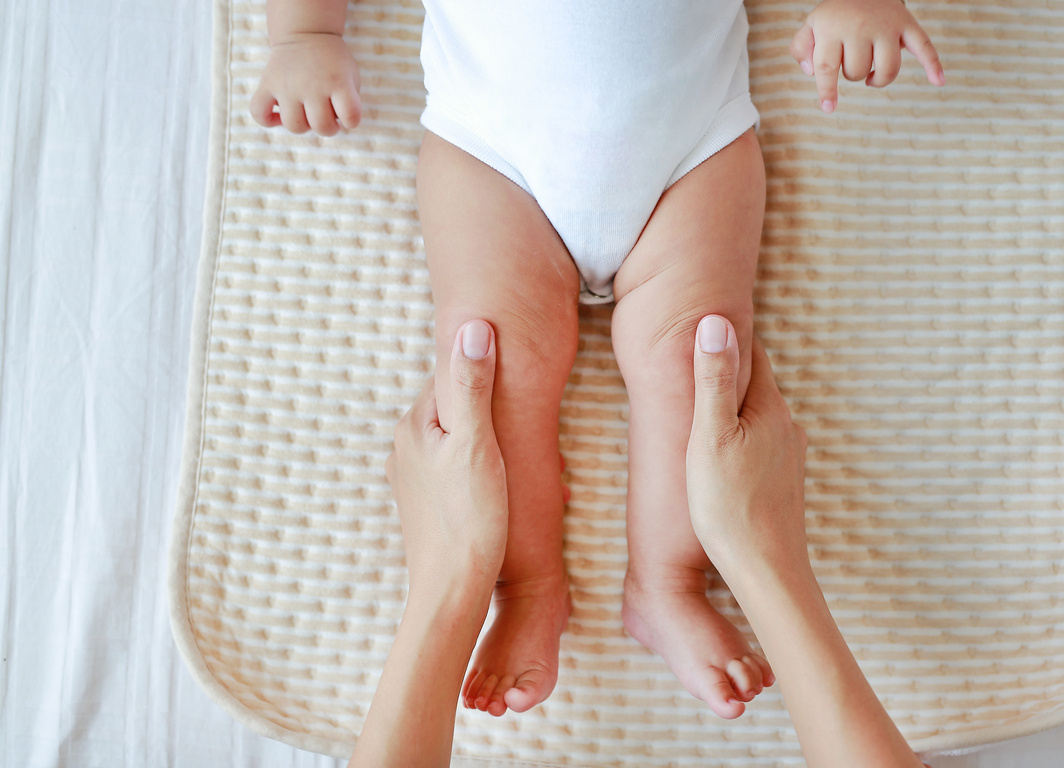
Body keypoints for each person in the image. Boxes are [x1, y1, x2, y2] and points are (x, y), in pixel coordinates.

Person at [252, 0, 945, 719]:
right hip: (492, 153)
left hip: (692, 147)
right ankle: (525, 585)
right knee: (490, 367)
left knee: (698, 363)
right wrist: (305, 33)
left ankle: (667, 584)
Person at [348, 317, 931, 768]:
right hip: (591, 163)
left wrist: (451, 580)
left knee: (499, 357)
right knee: (690, 354)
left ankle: (621, 585)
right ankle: (617, 584)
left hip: (579, 162)